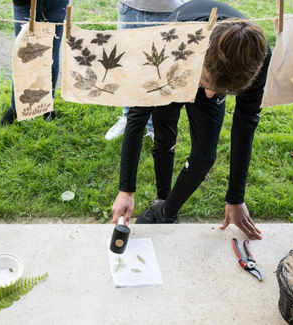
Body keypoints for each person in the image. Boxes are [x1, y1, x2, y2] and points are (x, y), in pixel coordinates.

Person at [111, 0, 271, 240]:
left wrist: (236, 198)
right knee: (165, 137)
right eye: (206, 84)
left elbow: (245, 125)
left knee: (205, 156)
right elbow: (137, 117)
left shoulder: (257, 57)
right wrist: (126, 189)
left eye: (220, 92)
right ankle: (161, 199)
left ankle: (166, 211)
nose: (208, 94)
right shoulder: (166, 45)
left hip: (212, 66)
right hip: (177, 62)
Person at [104, 0, 187, 141]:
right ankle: (128, 117)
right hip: (129, 8)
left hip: (168, 11)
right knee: (128, 66)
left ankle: (152, 125)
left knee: (159, 70)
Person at [1, 0, 70, 125]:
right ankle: (15, 107)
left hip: (56, 3)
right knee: (23, 57)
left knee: (51, 57)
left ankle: (47, 104)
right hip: (24, 3)